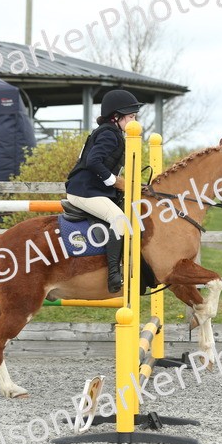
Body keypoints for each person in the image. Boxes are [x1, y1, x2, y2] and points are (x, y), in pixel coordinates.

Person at [65, 89, 143, 293]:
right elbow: (93, 162)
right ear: (116, 116)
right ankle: (113, 274)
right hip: (84, 191)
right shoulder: (109, 133)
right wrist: (113, 181)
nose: (135, 122)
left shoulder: (111, 131)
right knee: (119, 218)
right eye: (131, 117)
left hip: (91, 189)